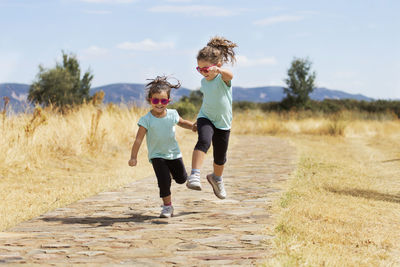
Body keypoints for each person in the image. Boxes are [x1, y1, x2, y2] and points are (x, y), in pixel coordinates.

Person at [128, 75, 196, 218]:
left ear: (168, 101)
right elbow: (138, 140)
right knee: (163, 182)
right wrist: (133, 157)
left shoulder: (172, 114)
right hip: (157, 156)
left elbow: (182, 122)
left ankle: (171, 175)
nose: (159, 103)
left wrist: (193, 127)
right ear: (150, 100)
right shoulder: (146, 120)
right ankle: (167, 207)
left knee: (182, 179)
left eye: (163, 100)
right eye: (155, 100)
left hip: (174, 154)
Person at [186, 36, 238, 199]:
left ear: (217, 66)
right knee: (204, 141)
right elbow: (208, 101)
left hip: (223, 122)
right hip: (206, 117)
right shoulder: (204, 82)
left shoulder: (222, 79)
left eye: (206, 69)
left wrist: (219, 71)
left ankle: (216, 178)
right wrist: (198, 118)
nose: (203, 72)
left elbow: (230, 75)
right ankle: (194, 174)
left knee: (220, 157)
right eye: (199, 69)